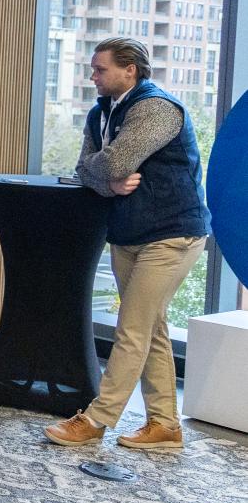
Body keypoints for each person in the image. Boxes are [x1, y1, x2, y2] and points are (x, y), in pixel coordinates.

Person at [44, 37, 209, 451]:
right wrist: (110, 184)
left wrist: (105, 173)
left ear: (130, 69)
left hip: (172, 235)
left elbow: (114, 162)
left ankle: (96, 419)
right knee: (151, 329)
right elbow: (85, 170)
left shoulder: (157, 108)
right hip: (129, 233)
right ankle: (165, 425)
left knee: (131, 329)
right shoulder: (101, 112)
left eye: (100, 69)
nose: (92, 76)